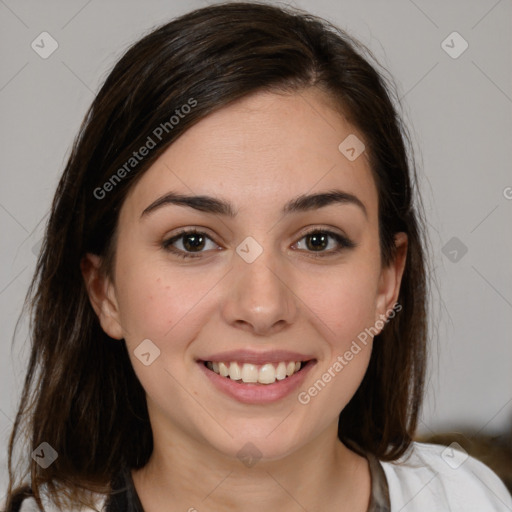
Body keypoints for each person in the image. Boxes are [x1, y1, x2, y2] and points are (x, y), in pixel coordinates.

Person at [3, 2, 511, 511]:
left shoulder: (467, 499)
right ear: (104, 290)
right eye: (193, 241)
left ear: (387, 281)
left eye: (318, 240)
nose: (263, 306)